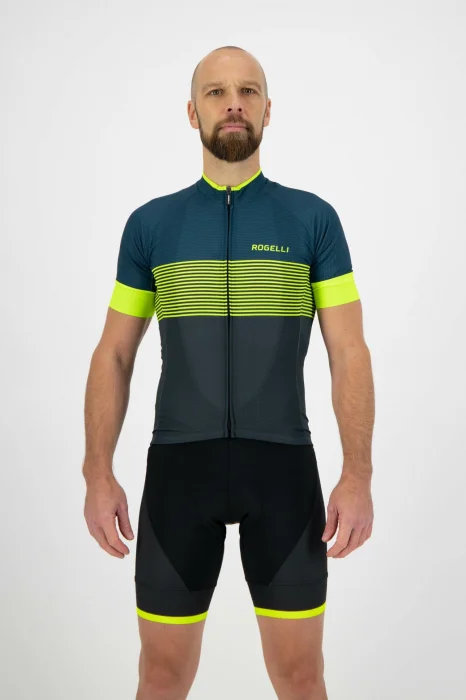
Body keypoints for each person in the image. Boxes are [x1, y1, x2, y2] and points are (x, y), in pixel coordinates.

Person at [82, 45, 375, 700]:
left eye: (248, 91)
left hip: (283, 471)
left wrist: (357, 474)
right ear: (192, 113)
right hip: (179, 473)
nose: (234, 103)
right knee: (160, 677)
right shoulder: (151, 226)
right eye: (216, 92)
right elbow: (115, 353)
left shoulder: (312, 220)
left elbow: (349, 352)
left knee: (302, 678)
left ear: (269, 109)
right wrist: (97, 472)